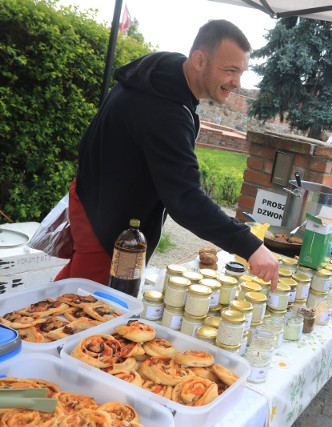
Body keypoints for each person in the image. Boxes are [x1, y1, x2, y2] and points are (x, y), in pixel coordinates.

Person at [54, 20, 279, 289]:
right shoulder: (164, 110)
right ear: (199, 60)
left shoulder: (162, 76)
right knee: (81, 307)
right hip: (107, 223)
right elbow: (184, 198)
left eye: (241, 72)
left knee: (70, 292)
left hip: (94, 200)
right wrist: (250, 245)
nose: (237, 83)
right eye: (230, 71)